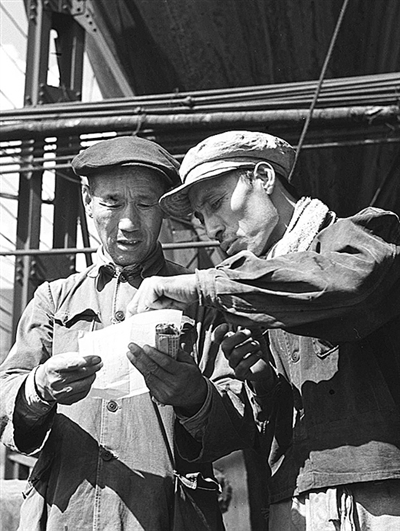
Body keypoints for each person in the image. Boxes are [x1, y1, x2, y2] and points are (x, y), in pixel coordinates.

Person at [128, 130, 400, 530]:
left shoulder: (359, 238)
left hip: (379, 494)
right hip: (292, 501)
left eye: (216, 203)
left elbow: (350, 282)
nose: (212, 228)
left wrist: (202, 285)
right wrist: (262, 384)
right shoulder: (249, 300)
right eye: (201, 218)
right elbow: (252, 445)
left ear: (264, 177)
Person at [0, 135, 260, 531]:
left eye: (145, 203)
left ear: (164, 208)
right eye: (112, 202)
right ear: (88, 202)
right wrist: (38, 389)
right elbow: (6, 400)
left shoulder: (202, 299)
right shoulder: (53, 300)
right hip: (65, 517)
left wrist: (196, 398)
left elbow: (245, 421)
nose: (128, 223)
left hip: (166, 516)